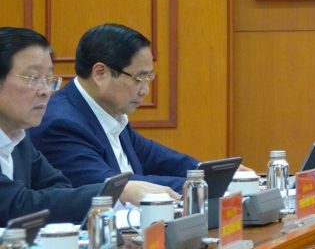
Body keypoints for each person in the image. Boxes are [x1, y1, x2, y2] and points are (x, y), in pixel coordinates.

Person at [0, 27, 174, 223]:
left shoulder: (19, 138)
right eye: (33, 78)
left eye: (48, 79)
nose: (46, 90)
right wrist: (119, 191)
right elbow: (16, 205)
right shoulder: (59, 124)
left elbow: (59, 188)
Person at [30, 23, 205, 192]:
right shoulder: (60, 125)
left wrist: (209, 175)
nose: (145, 90)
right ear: (100, 73)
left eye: (149, 78)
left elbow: (159, 159)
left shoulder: (111, 113)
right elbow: (110, 186)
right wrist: (198, 185)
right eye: (139, 79)